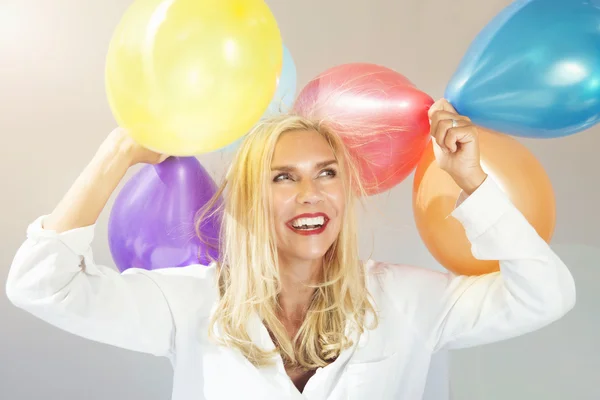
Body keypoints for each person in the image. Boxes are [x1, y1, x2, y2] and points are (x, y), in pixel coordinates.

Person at [6, 99, 576, 400]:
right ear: (252, 198)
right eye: (283, 178)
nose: (311, 194)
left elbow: (545, 296)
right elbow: (38, 283)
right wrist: (118, 153)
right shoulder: (189, 302)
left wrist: (472, 182)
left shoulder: (407, 299)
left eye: (326, 173)